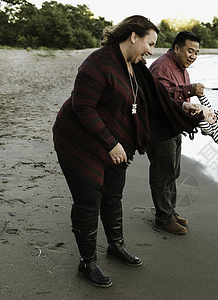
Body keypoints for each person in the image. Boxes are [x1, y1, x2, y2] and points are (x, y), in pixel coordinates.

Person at [52, 16, 204, 288]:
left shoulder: (136, 67)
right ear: (133, 35)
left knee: (113, 195)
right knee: (89, 200)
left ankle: (116, 246)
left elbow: (155, 99)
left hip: (113, 141)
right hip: (78, 140)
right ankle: (87, 263)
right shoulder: (98, 63)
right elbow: (82, 106)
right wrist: (110, 142)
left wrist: (182, 108)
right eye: (150, 43)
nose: (151, 51)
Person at [147, 31, 204, 235]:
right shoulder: (162, 66)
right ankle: (163, 218)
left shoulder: (182, 69)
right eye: (190, 50)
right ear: (177, 48)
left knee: (173, 171)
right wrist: (189, 90)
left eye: (196, 52)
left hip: (173, 126)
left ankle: (169, 211)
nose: (193, 56)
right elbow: (160, 97)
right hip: (160, 129)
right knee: (163, 173)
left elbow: (179, 100)